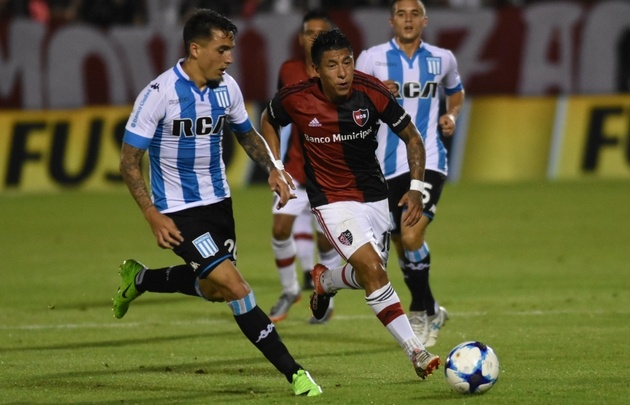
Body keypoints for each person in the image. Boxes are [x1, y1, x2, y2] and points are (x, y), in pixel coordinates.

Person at [111, 9, 322, 397]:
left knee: (214, 289)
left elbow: (247, 134)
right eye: (222, 50)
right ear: (195, 49)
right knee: (237, 288)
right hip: (177, 209)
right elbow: (128, 161)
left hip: (219, 204)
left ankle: (140, 279)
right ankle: (296, 374)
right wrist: (151, 213)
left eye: (231, 49)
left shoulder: (228, 88)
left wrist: (274, 169)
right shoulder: (159, 94)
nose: (230, 58)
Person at [260, 28, 441, 380]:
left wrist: (416, 188)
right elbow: (269, 119)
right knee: (373, 270)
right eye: (332, 65)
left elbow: (412, 137)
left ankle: (326, 281)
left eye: (347, 62)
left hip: (374, 196)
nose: (342, 72)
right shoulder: (296, 97)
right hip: (331, 200)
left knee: (372, 274)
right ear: (316, 70)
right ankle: (416, 351)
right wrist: (276, 166)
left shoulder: (371, 91)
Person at [355, 0, 465, 347]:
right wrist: (374, 93)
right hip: (384, 165)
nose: (408, 19)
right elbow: (350, 100)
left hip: (427, 158)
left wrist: (451, 116)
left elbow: (456, 91)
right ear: (391, 21)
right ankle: (432, 308)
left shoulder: (442, 58)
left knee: (412, 234)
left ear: (424, 21)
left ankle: (419, 311)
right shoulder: (371, 58)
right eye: (401, 14)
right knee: (402, 245)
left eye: (414, 14)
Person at [268, 9, 340, 324]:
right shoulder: (289, 70)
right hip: (296, 169)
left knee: (327, 240)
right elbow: (275, 114)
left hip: (330, 173)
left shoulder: (341, 71)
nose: (314, 38)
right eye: (309, 32)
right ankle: (290, 290)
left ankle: (326, 299)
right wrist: (276, 164)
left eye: (320, 33)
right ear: (300, 38)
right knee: (280, 228)